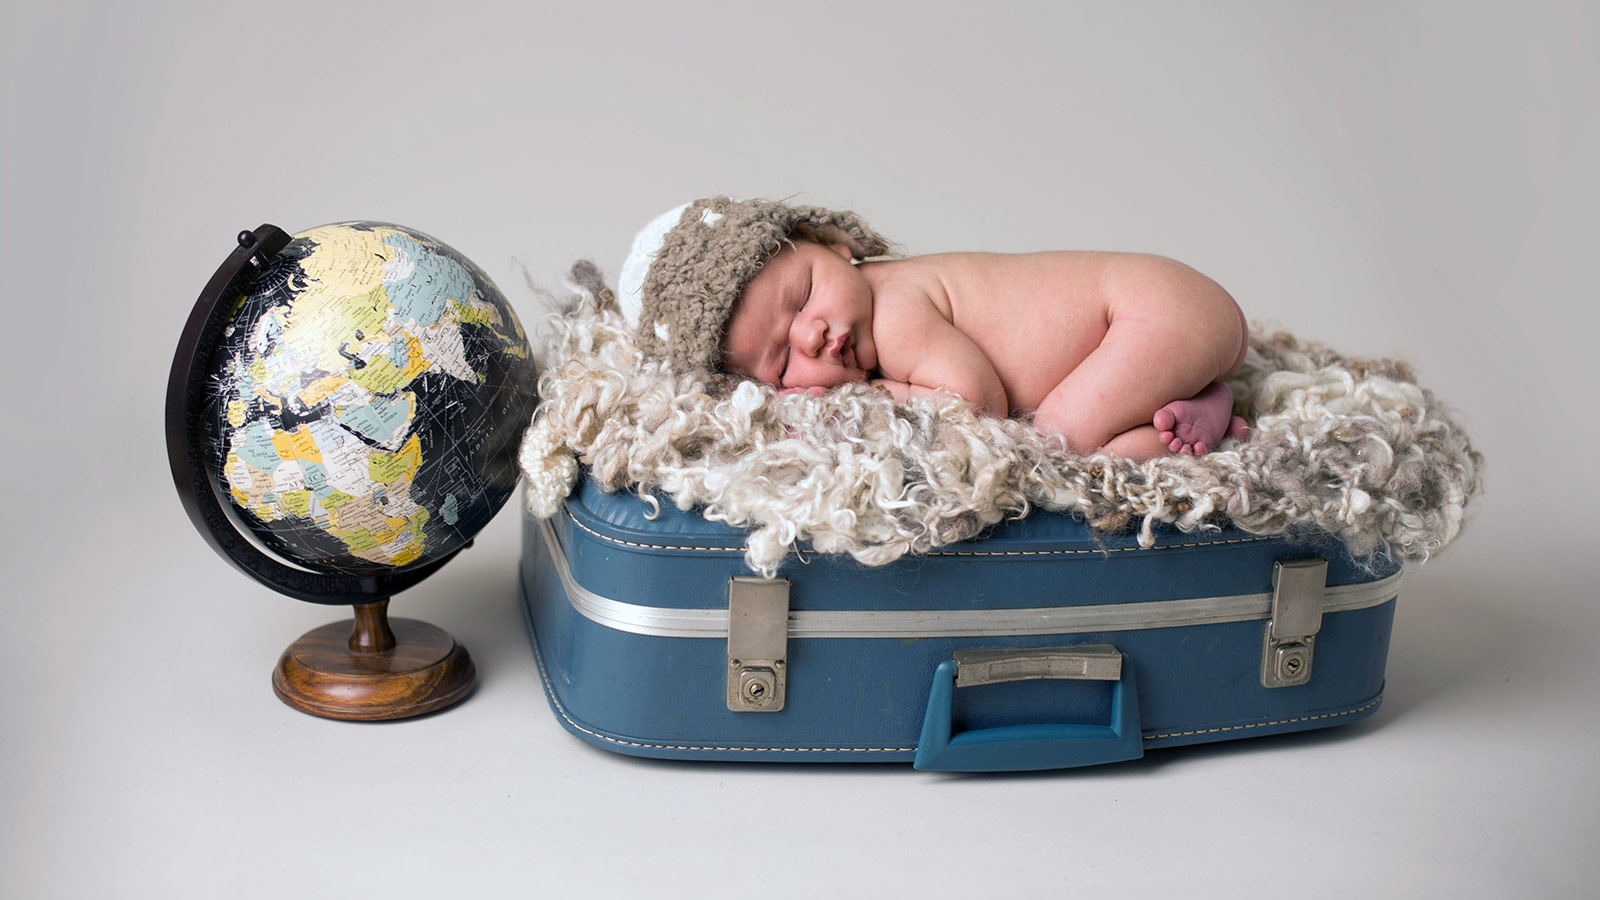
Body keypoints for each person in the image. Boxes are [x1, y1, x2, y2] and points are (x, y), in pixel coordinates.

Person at [617, 196, 1250, 461]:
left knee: (1061, 443)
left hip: (1152, 312)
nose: (812, 335)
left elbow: (976, 403)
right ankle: (1198, 399)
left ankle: (1200, 414)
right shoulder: (866, 307)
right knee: (1090, 440)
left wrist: (870, 396)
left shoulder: (893, 305)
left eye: (804, 295)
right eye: (782, 363)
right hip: (1165, 318)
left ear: (829, 243)